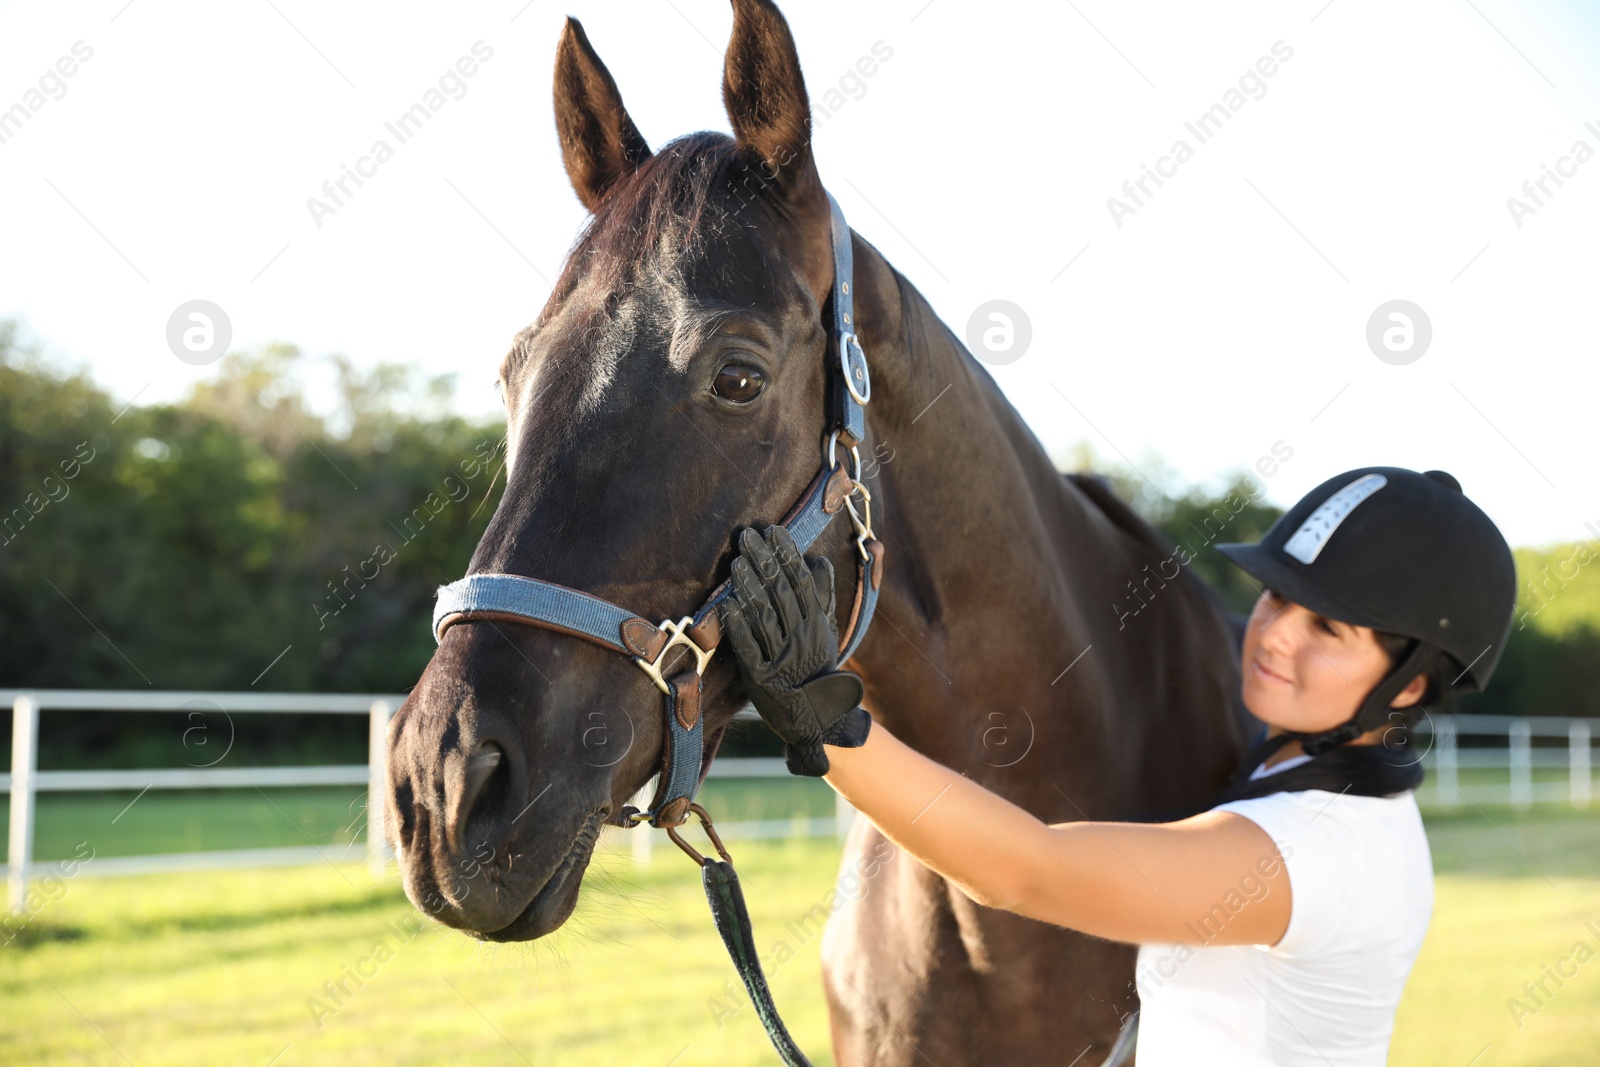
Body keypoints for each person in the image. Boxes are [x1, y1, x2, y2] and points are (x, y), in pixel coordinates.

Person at [718, 466, 1517, 1067]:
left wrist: (824, 720)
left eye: (1327, 628)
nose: (1273, 634)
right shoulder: (1301, 776)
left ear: (1408, 683)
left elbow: (1028, 870)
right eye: (1276, 597)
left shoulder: (1316, 845)